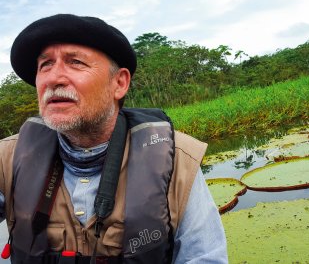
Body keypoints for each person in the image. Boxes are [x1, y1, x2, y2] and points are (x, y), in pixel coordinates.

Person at [0, 14, 228, 263]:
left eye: (75, 62)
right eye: (45, 65)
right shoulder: (6, 159)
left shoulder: (178, 160)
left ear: (119, 83)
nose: (53, 78)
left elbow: (205, 257)